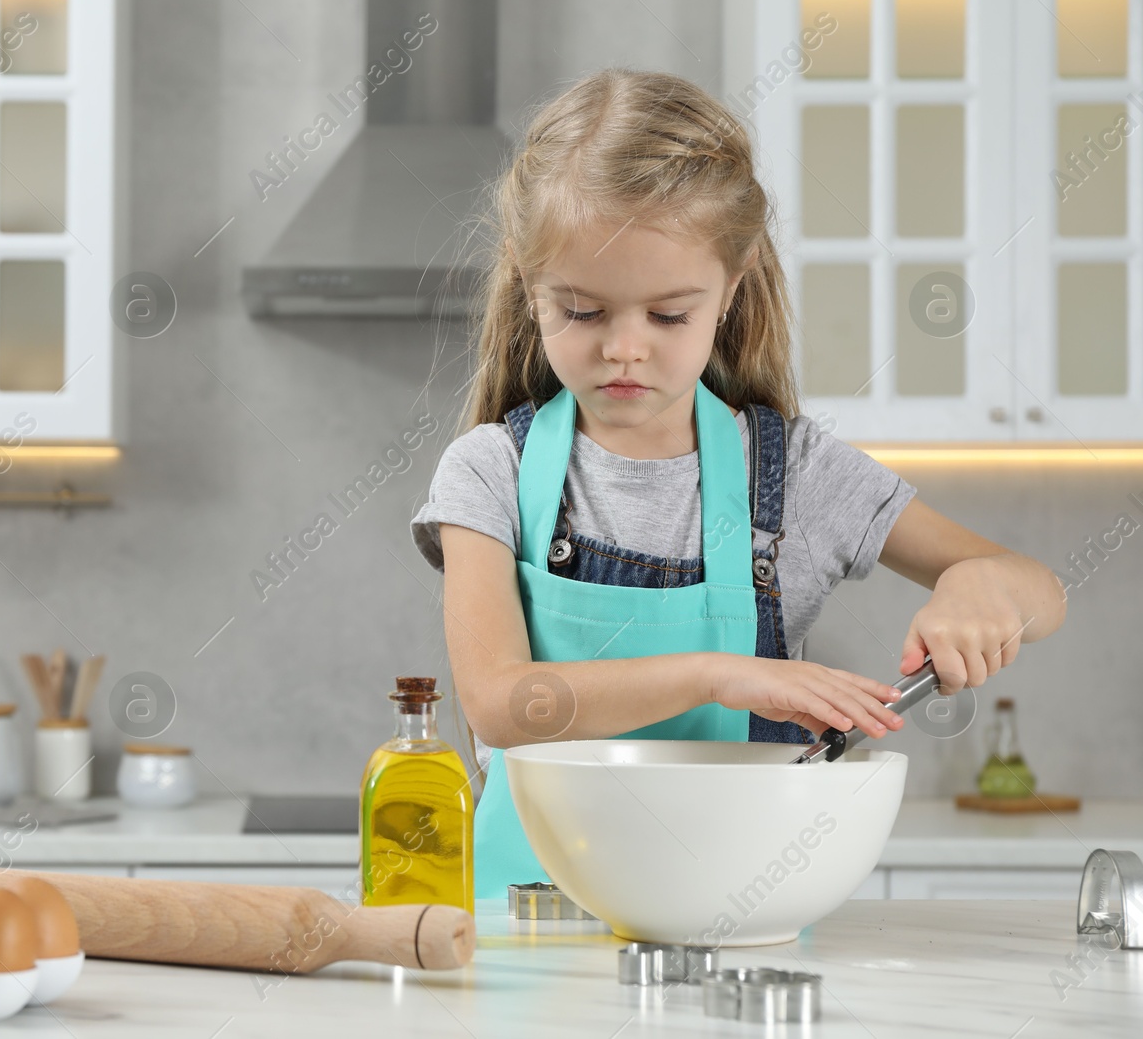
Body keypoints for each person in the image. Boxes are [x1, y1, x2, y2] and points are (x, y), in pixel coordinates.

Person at [408, 68, 1067, 898]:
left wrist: (979, 589)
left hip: (738, 935)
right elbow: (504, 704)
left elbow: (1041, 592)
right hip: (529, 931)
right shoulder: (489, 473)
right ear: (527, 282)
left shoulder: (795, 474)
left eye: (668, 314)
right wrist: (722, 673)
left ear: (733, 281)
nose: (624, 347)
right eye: (581, 311)